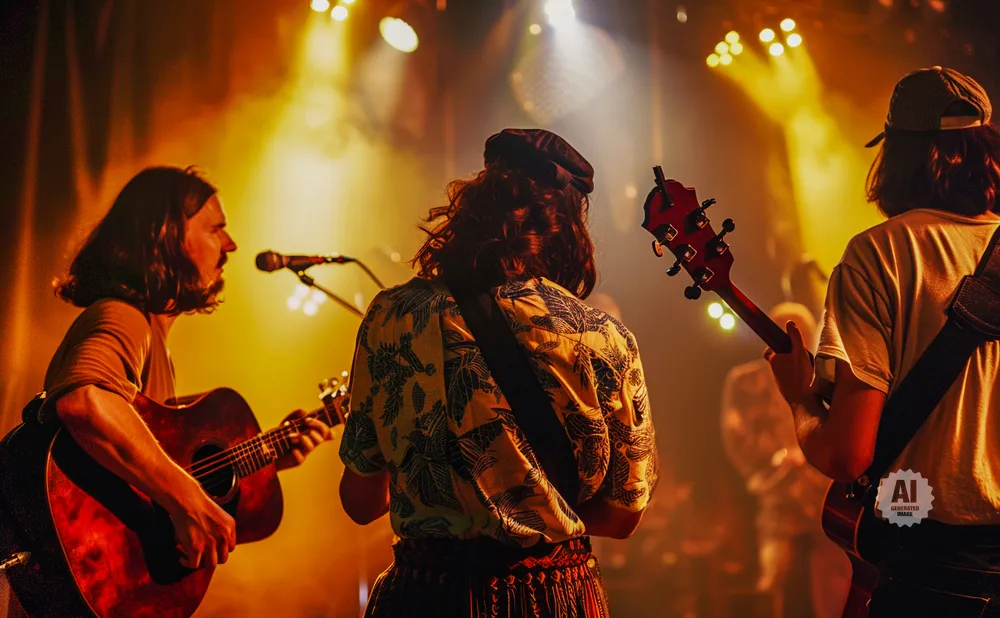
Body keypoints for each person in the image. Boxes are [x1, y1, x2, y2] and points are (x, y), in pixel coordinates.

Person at [338, 129, 659, 617]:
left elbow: (361, 502)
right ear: (569, 225)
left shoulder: (391, 316)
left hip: (423, 597)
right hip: (550, 599)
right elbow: (621, 517)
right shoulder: (601, 337)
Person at [5, 166, 333, 616]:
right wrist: (188, 500)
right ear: (165, 235)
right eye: (216, 229)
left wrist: (270, 454)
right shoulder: (124, 317)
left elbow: (162, 460)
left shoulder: (150, 335)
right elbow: (85, 401)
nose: (231, 245)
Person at [766, 67, 1000, 616]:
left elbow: (849, 456)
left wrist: (801, 400)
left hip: (929, 569)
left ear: (900, 153)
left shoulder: (879, 254)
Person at [721, 302, 850, 618]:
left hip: (823, 496)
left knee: (836, 579)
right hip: (777, 495)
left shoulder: (827, 378)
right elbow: (735, 437)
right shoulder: (744, 380)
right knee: (774, 577)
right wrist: (772, 466)